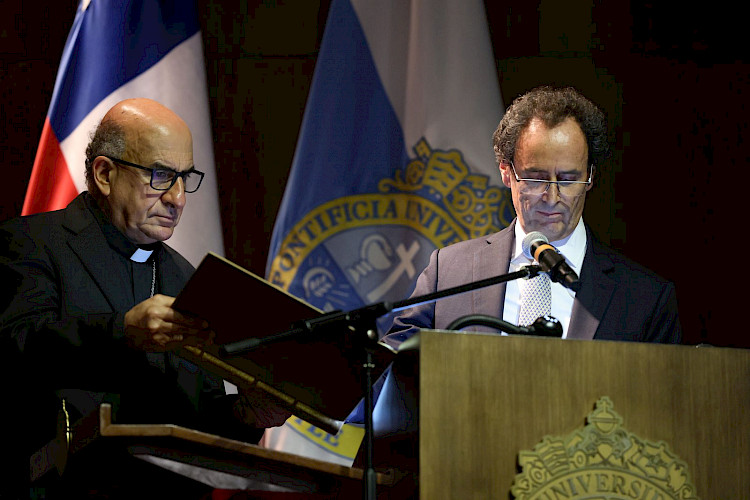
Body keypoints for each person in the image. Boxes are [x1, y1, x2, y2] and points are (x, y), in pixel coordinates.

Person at [0, 98, 290, 497]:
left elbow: (194, 422)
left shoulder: (188, 279)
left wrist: (247, 414)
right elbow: (15, 352)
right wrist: (122, 332)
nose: (178, 198)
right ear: (105, 173)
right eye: (160, 175)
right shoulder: (31, 243)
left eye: (185, 178)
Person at [384, 86, 682, 346]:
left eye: (567, 179)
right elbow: (393, 372)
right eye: (536, 178)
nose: (552, 198)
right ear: (505, 171)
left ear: (591, 177)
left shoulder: (644, 298)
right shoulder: (449, 272)